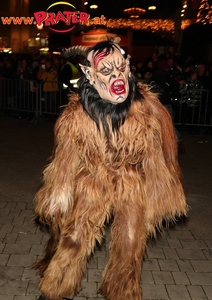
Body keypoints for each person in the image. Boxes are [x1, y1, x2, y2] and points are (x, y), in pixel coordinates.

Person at [34, 39, 188, 300]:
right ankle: (55, 290)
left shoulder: (148, 111)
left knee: (130, 242)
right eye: (106, 71)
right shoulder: (76, 117)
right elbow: (63, 162)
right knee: (75, 236)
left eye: (120, 67)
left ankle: (122, 292)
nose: (117, 76)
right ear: (90, 76)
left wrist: (161, 191)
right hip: (92, 180)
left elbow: (158, 159)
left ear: (128, 67)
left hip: (131, 183)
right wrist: (58, 194)